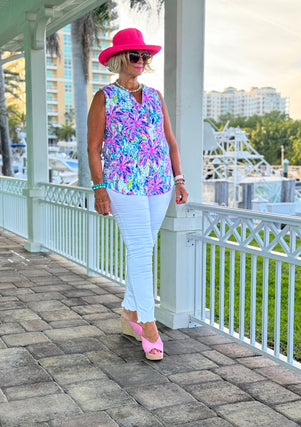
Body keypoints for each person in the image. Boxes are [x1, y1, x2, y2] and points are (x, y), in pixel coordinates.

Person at [87, 28, 188, 360]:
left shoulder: (156, 96)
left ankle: (129, 313)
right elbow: (93, 147)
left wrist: (179, 177)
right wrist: (100, 189)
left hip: (159, 185)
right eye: (135, 56)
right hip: (123, 184)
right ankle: (148, 324)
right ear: (119, 59)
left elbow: (169, 141)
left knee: (142, 250)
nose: (142, 61)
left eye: (146, 56)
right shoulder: (104, 97)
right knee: (142, 250)